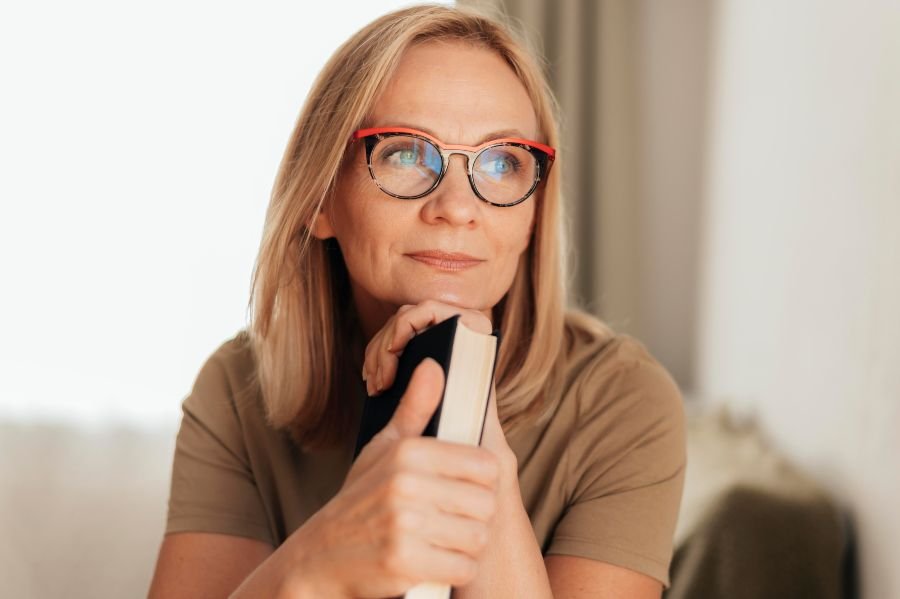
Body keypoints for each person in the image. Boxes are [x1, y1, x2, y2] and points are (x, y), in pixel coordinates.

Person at [148, 5, 685, 598]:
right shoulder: (237, 389)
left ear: (533, 215)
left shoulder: (621, 402)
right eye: (405, 153)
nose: (458, 207)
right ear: (321, 199)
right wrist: (319, 559)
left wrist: (475, 438)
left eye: (504, 161)